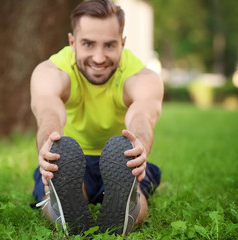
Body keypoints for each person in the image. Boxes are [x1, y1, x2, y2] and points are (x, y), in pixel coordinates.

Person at [30, 0, 163, 236]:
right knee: (58, 173)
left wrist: (139, 145)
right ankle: (61, 203)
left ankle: (129, 203)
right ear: (73, 42)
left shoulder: (142, 77)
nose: (99, 58)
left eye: (109, 46)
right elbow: (49, 111)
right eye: (88, 44)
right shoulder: (51, 73)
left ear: (122, 44)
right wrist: (49, 144)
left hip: (121, 160)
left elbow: (142, 114)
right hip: (69, 160)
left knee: (131, 171)